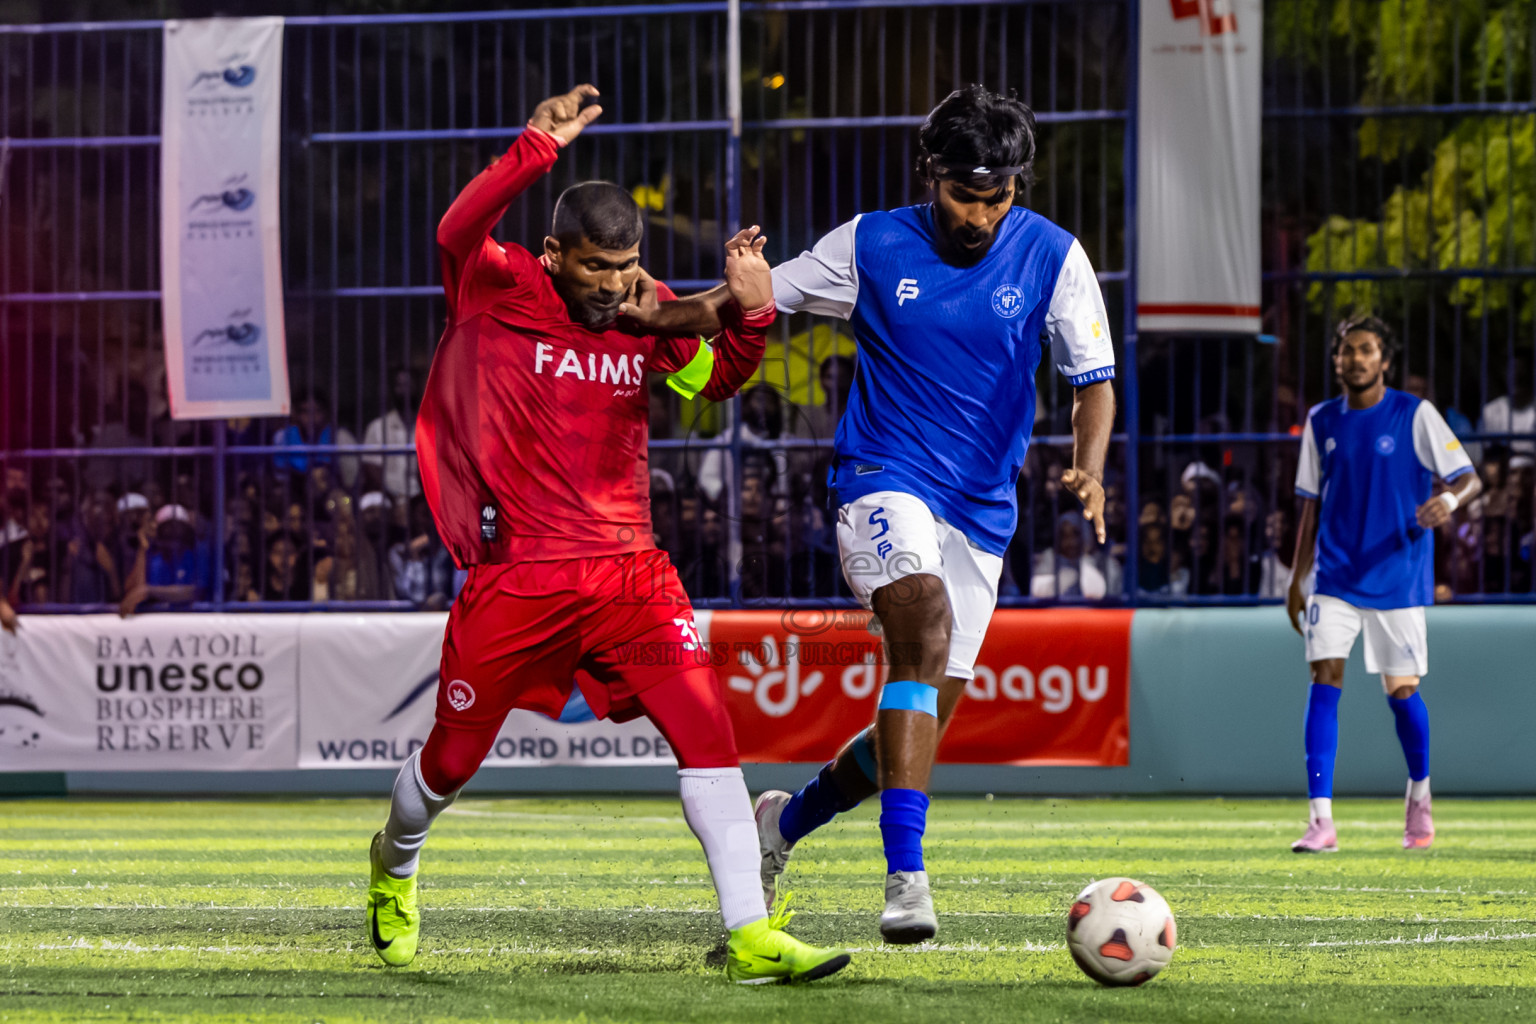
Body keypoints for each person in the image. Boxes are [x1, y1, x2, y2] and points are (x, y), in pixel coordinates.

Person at [364, 85, 849, 985]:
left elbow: (716, 381)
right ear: (553, 255)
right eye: (597, 268)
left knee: (709, 734)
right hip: (517, 580)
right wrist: (531, 150)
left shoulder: (645, 307)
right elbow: (453, 231)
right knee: (448, 764)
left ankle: (747, 934)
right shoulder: (496, 284)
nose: (617, 284)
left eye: (628, 265)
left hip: (631, 572)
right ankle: (394, 864)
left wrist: (749, 314)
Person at [622, 84, 1115, 942]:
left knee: (913, 733)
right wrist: (660, 315)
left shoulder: (1055, 257)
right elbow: (749, 297)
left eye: (998, 196)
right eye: (965, 193)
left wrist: (1089, 468)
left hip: (983, 511)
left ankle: (784, 824)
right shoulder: (871, 242)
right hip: (883, 478)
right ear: (931, 174)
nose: (981, 214)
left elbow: (1093, 383)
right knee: (918, 629)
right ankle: (908, 881)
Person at [1286, 316, 1481, 854]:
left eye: (1366, 350)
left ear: (1384, 361)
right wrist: (1296, 578)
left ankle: (1420, 794)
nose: (1355, 359)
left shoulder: (1415, 414)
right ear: (1337, 361)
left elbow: (1468, 476)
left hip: (1398, 576)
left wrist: (1450, 500)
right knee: (1324, 681)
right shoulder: (1321, 420)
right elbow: (1309, 503)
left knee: (1403, 693)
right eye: (1347, 351)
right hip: (1335, 575)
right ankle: (1320, 821)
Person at [361, 366, 422, 505]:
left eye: (409, 384)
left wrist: (421, 500)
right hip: (387, 499)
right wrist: (393, 500)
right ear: (392, 390)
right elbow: (371, 469)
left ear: (418, 388)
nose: (404, 390)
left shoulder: (430, 427)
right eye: (399, 385)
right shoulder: (377, 427)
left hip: (422, 500)